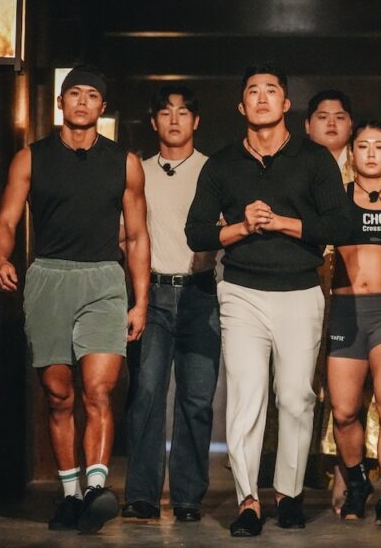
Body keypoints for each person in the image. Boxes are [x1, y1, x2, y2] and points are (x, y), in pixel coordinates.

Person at [185, 63, 352, 537]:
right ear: (242, 106)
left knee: (296, 397)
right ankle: (248, 500)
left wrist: (283, 223)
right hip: (241, 292)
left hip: (300, 290)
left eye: (271, 90)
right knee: (246, 396)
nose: (262, 98)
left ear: (286, 103)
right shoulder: (222, 164)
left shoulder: (314, 159)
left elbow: (340, 224)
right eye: (253, 92)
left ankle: (289, 494)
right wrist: (241, 227)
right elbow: (196, 231)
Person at [0, 65, 150, 534]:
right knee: (59, 396)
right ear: (60, 103)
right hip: (49, 277)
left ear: (103, 106)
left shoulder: (124, 162)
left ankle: (97, 488)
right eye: (74, 94)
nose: (82, 102)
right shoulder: (31, 158)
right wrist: (1, 257)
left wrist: (140, 301)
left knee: (98, 390)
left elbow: (137, 236)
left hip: (104, 279)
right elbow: (6, 219)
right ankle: (70, 496)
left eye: (92, 95)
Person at [122, 86, 220, 523]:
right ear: (153, 121)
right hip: (152, 292)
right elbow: (124, 234)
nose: (174, 119)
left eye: (183, 112)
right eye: (165, 112)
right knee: (145, 393)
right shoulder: (137, 171)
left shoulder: (214, 171)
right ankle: (142, 494)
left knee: (196, 399)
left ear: (196, 121)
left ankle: (187, 496)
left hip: (201, 292)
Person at [327, 121, 381, 526]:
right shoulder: (337, 198)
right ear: (351, 152)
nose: (372, 153)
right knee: (344, 411)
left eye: (380, 146)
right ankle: (358, 485)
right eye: (363, 146)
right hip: (346, 311)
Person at [303, 89, 381, 512]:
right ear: (306, 126)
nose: (331, 123)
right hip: (305, 282)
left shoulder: (368, 170)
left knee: (354, 388)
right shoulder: (297, 168)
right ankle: (295, 475)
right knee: (304, 381)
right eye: (322, 116)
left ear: (352, 126)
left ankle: (348, 473)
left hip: (355, 287)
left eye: (339, 116)